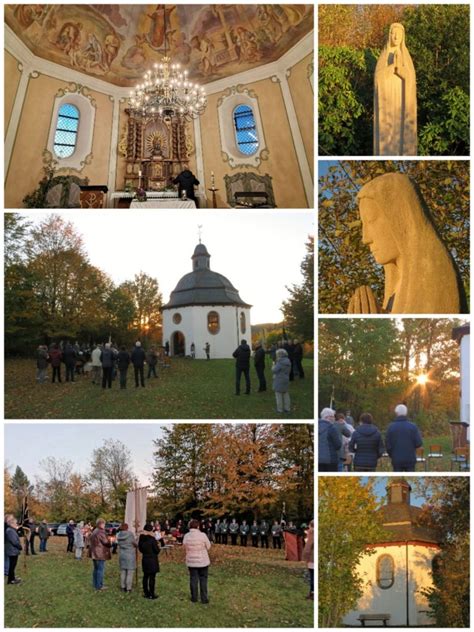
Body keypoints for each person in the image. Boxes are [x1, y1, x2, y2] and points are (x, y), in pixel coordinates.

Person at [385, 404, 423, 471]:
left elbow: (388, 445)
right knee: (410, 480)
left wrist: (392, 455)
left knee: (397, 480)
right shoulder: (413, 427)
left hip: (396, 460)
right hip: (410, 460)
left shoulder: (390, 427)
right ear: (406, 413)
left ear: (396, 413)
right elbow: (419, 443)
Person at [183, 518, 211, 604]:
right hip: (202, 560)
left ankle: (194, 597)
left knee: (193, 579)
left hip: (191, 561)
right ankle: (204, 598)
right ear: (198, 526)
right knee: (203, 579)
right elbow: (209, 546)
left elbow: (184, 546)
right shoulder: (203, 535)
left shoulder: (187, 536)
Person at [89, 518, 112, 591]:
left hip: (94, 553)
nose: (105, 525)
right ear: (101, 524)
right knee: (100, 570)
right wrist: (110, 542)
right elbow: (105, 542)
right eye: (104, 524)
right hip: (100, 553)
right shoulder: (101, 532)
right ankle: (99, 586)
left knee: (96, 569)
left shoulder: (95, 531)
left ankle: (95, 584)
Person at [138, 523, 160, 599]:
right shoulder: (152, 539)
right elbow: (157, 550)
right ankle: (152, 593)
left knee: (146, 576)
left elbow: (140, 548)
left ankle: (146, 592)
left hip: (145, 558)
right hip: (152, 559)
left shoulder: (141, 538)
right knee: (152, 577)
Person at [117, 523, 137, 593]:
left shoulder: (119, 535)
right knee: (129, 572)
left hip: (122, 554)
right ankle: (128, 588)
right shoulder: (130, 534)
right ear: (127, 528)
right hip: (130, 554)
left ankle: (123, 587)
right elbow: (135, 543)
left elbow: (118, 544)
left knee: (123, 571)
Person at [272, 348, 292, 413]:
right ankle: (287, 408)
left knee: (278, 394)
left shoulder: (280, 362)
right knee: (285, 394)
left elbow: (274, 370)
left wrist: (273, 365)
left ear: (279, 355)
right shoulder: (288, 361)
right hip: (286, 378)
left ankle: (279, 409)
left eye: (277, 354)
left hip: (279, 379)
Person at [5, 517, 22, 585]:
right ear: (11, 523)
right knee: (12, 566)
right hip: (12, 550)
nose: (16, 524)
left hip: (13, 550)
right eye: (15, 523)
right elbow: (14, 541)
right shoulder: (10, 530)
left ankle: (12, 578)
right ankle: (11, 580)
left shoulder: (12, 530)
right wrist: (19, 546)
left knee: (13, 565)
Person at [302, 520, 314, 600]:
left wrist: (304, 557)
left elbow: (308, 546)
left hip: (312, 558)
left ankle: (312, 593)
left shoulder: (312, 533)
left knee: (312, 576)